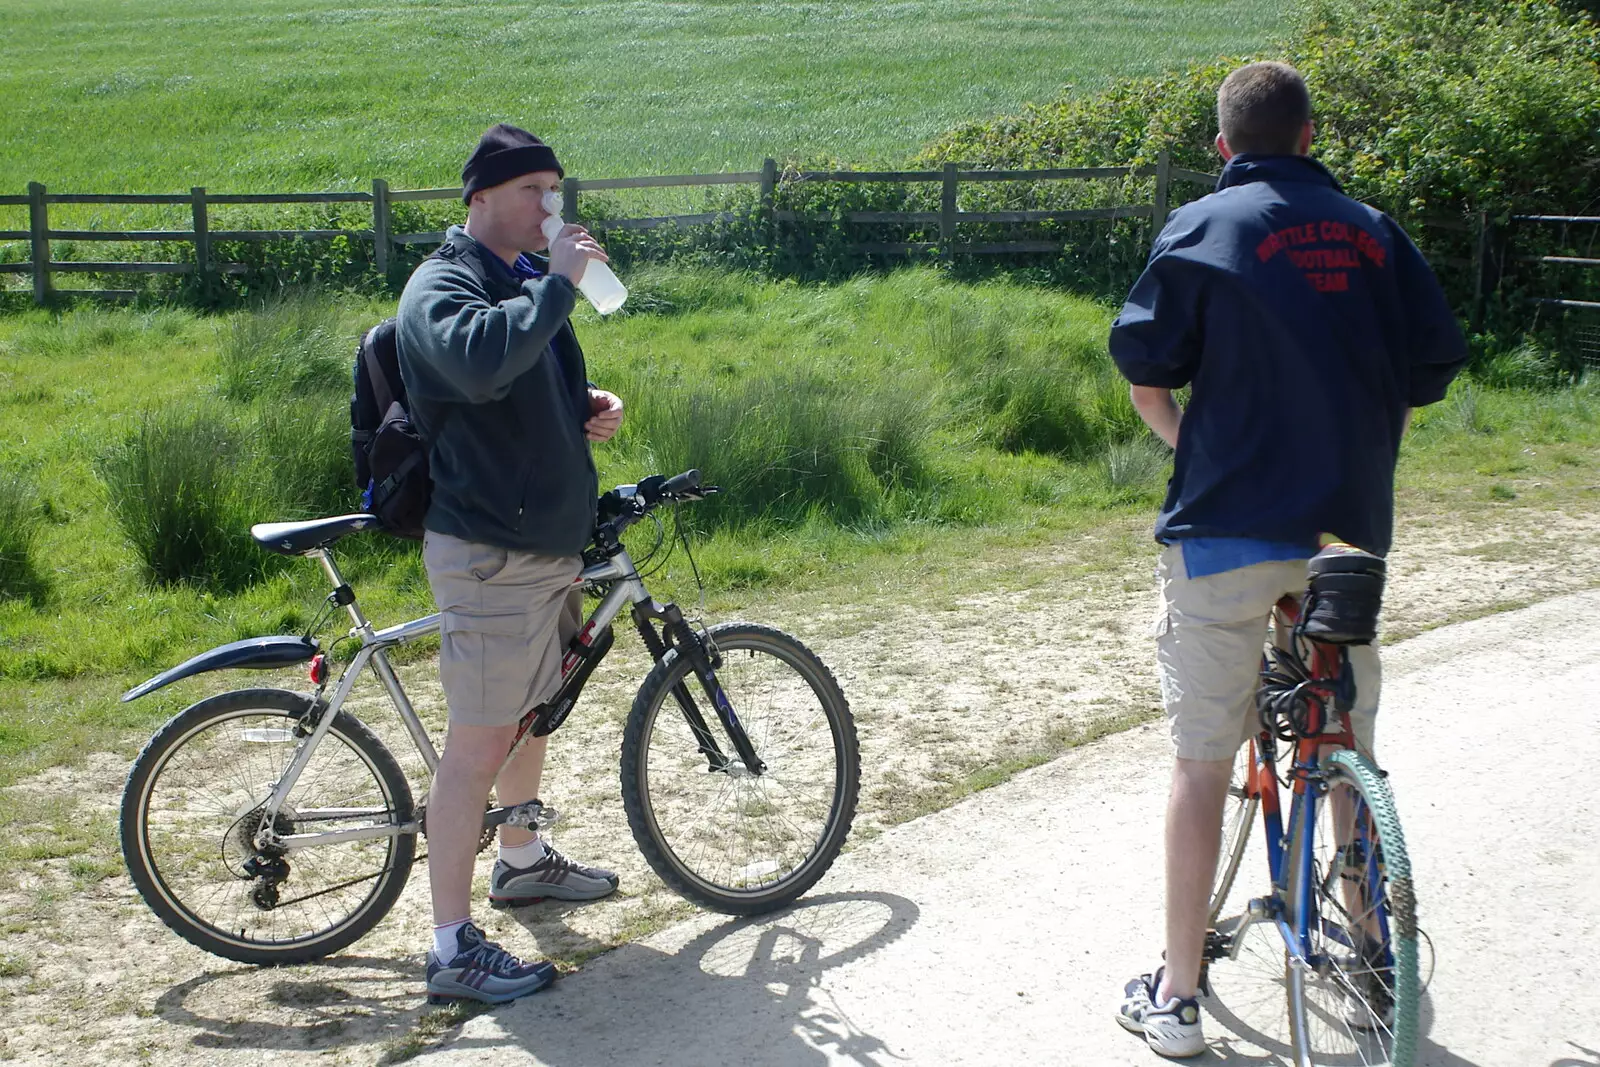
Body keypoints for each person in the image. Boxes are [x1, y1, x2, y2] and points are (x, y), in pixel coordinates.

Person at [1106, 62, 1466, 1057]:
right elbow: (1421, 374)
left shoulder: (1200, 227)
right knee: (1342, 736)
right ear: (1309, 137)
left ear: (1224, 147)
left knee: (1197, 763)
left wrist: (1205, 451)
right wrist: (1362, 454)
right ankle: (1367, 942)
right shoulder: (1372, 229)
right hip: (1344, 536)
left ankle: (1177, 996)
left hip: (1222, 532)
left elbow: (1143, 377)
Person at [395, 123, 627, 1005]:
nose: (551, 207)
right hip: (489, 551)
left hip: (541, 548)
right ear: (481, 197)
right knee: (477, 746)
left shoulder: (525, 278)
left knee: (532, 716)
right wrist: (560, 287)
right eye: (535, 190)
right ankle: (451, 947)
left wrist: (586, 406)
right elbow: (482, 363)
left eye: (556, 190)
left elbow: (530, 382)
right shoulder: (442, 283)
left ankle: (521, 859)